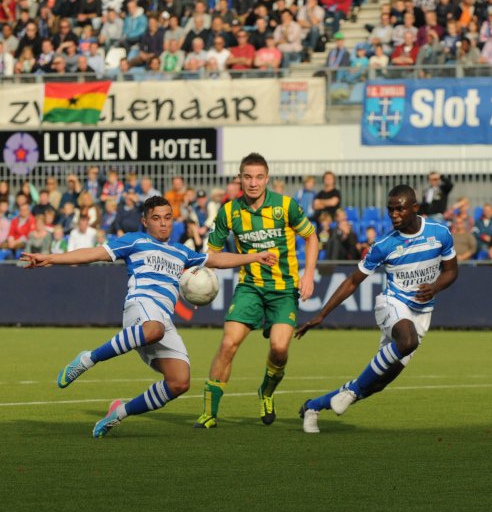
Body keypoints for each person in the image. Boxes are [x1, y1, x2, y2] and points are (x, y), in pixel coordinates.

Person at [21, 196, 278, 438]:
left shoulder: (182, 252)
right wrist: (51, 258)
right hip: (140, 307)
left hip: (163, 320)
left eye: (168, 217)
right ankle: (87, 359)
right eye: (157, 218)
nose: (164, 222)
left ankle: (118, 413)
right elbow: (93, 253)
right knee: (153, 329)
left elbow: (218, 259)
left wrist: (255, 256)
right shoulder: (135, 241)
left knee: (179, 382)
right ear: (145, 221)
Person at [296, 184, 458, 433]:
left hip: (422, 313)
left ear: (415, 208)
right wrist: (321, 315)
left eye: (400, 209)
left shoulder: (440, 234)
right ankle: (349, 391)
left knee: (375, 384)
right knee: (407, 341)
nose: (394, 215)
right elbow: (352, 281)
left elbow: (452, 272)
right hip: (392, 303)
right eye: (390, 210)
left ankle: (313, 406)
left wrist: (435, 287)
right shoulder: (384, 244)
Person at [195, 153, 320, 429]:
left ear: (267, 179)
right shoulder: (229, 211)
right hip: (250, 288)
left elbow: (311, 237)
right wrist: (200, 284)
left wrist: (308, 274)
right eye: (247, 177)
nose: (253, 183)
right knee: (228, 344)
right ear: (240, 178)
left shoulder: (286, 206)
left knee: (279, 348)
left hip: (284, 289)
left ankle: (266, 391)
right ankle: (208, 413)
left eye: (258, 177)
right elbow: (212, 255)